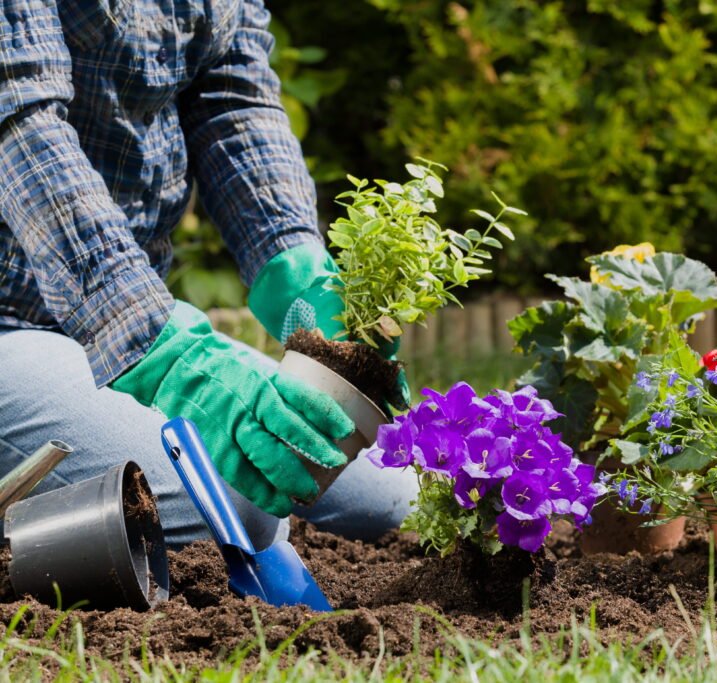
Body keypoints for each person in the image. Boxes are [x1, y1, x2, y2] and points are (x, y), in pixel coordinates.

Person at [0, 0, 417, 548]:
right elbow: (17, 118)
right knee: (233, 510)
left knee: (389, 493)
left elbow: (230, 101)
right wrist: (167, 353)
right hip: (19, 321)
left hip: (96, 335)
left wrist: (293, 267)